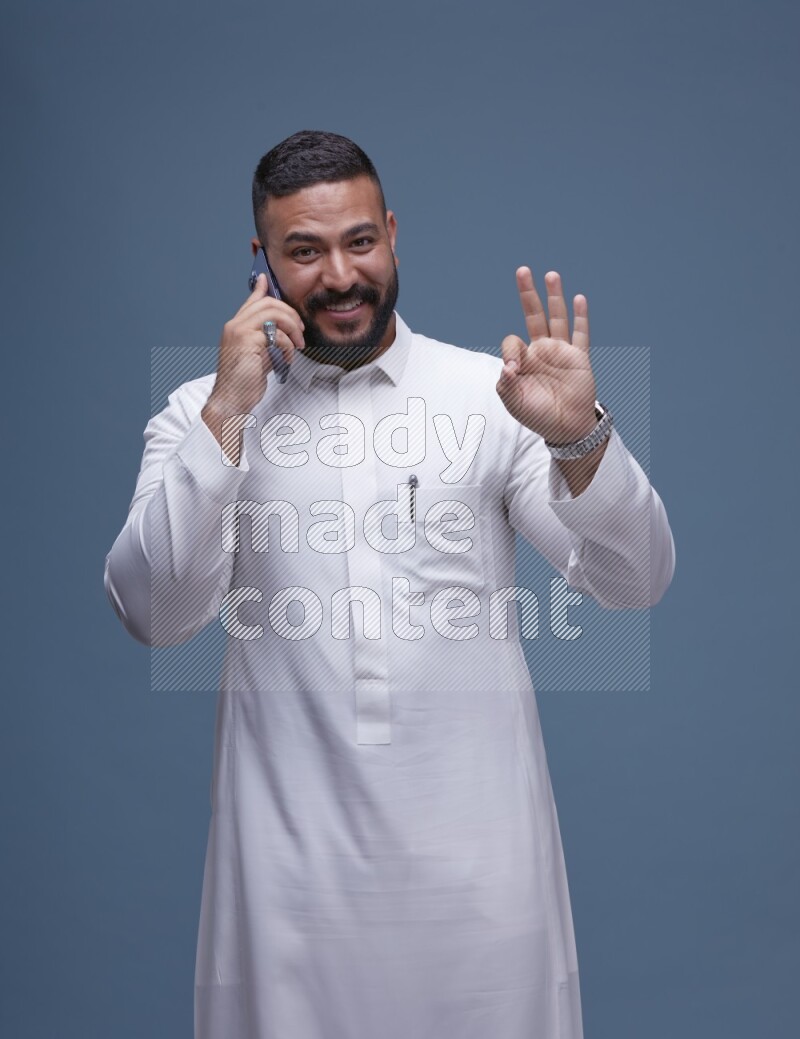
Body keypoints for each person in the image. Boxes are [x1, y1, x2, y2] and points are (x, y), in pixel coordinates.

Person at [105, 129, 675, 1039]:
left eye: (359, 241)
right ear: (262, 262)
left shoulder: (493, 395)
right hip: (286, 894)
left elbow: (635, 582)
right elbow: (156, 614)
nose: (339, 275)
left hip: (487, 891)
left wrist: (581, 439)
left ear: (394, 234)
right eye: (305, 250)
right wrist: (225, 417)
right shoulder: (199, 410)